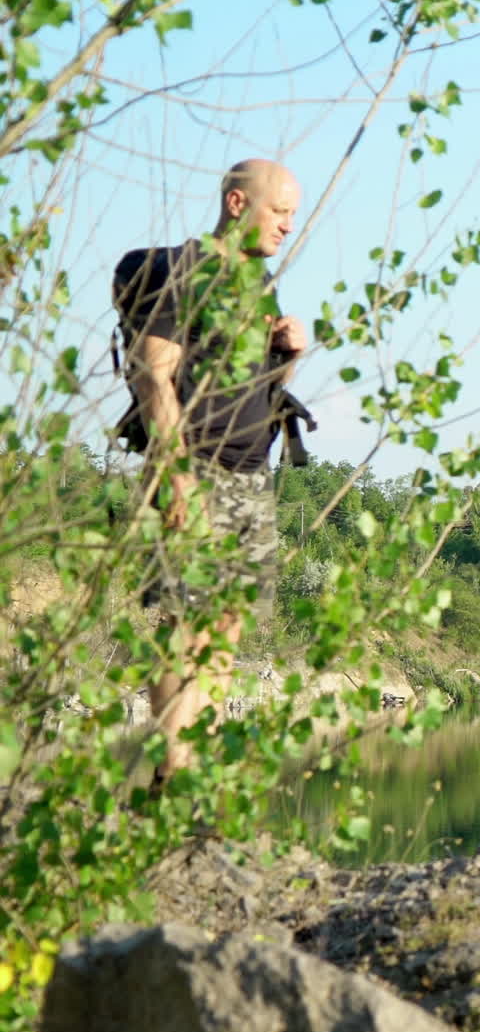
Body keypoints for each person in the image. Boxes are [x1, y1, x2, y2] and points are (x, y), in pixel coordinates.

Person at [114, 158, 307, 786]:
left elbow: (258, 392)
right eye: (279, 211)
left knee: (225, 624)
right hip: (195, 468)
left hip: (252, 475)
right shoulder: (188, 271)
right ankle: (172, 774)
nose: (287, 225)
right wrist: (175, 480)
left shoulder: (256, 285)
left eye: (293, 214)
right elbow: (152, 373)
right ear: (236, 204)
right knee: (187, 619)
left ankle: (200, 773)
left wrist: (289, 356)